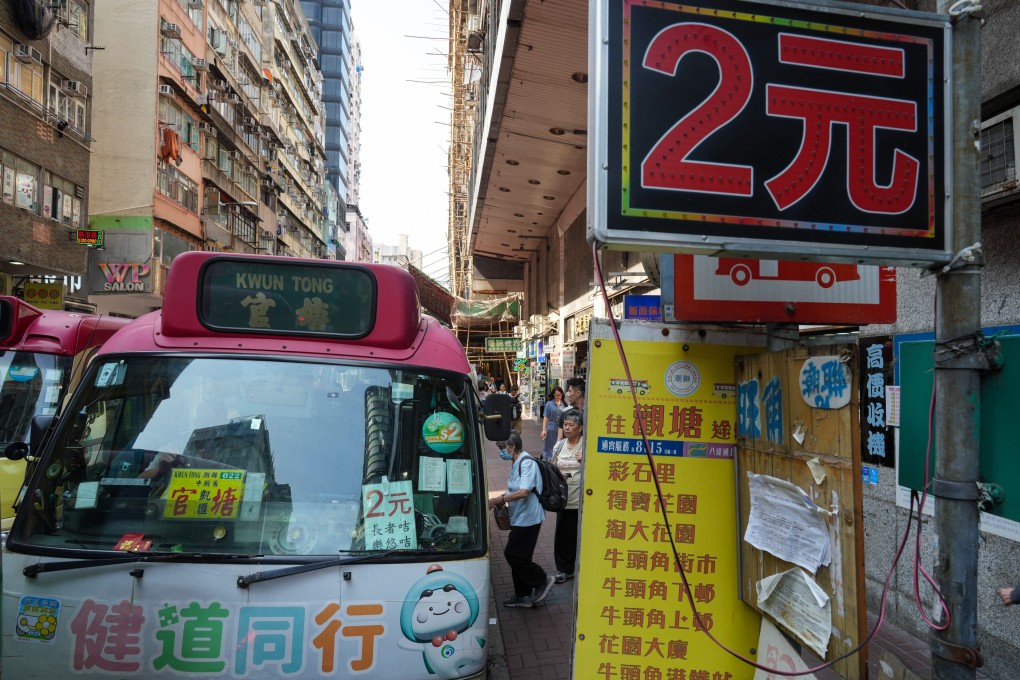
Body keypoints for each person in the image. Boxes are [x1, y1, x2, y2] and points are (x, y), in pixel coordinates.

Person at [487, 432, 556, 608]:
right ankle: (523, 595)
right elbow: (516, 490)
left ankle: (542, 579)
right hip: (520, 517)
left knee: (512, 553)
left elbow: (525, 491)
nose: (501, 452)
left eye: (502, 449)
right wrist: (505, 498)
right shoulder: (516, 462)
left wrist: (500, 499)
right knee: (520, 556)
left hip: (529, 518)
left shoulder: (527, 463)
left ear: (512, 447)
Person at [552, 409, 584, 583]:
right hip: (563, 501)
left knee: (580, 535)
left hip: (582, 500)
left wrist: (585, 460)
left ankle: (582, 567)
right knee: (563, 535)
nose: (567, 428)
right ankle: (564, 569)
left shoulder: (586, 446)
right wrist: (559, 474)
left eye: (571, 425)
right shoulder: (559, 445)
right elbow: (552, 467)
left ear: (580, 428)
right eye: (565, 424)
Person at [540, 386, 565, 460]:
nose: (558, 397)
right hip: (551, 428)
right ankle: (549, 461)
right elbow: (546, 417)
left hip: (561, 428)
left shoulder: (563, 404)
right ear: (553, 395)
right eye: (556, 395)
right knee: (550, 447)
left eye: (560, 395)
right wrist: (544, 430)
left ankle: (557, 461)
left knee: (559, 445)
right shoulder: (549, 404)